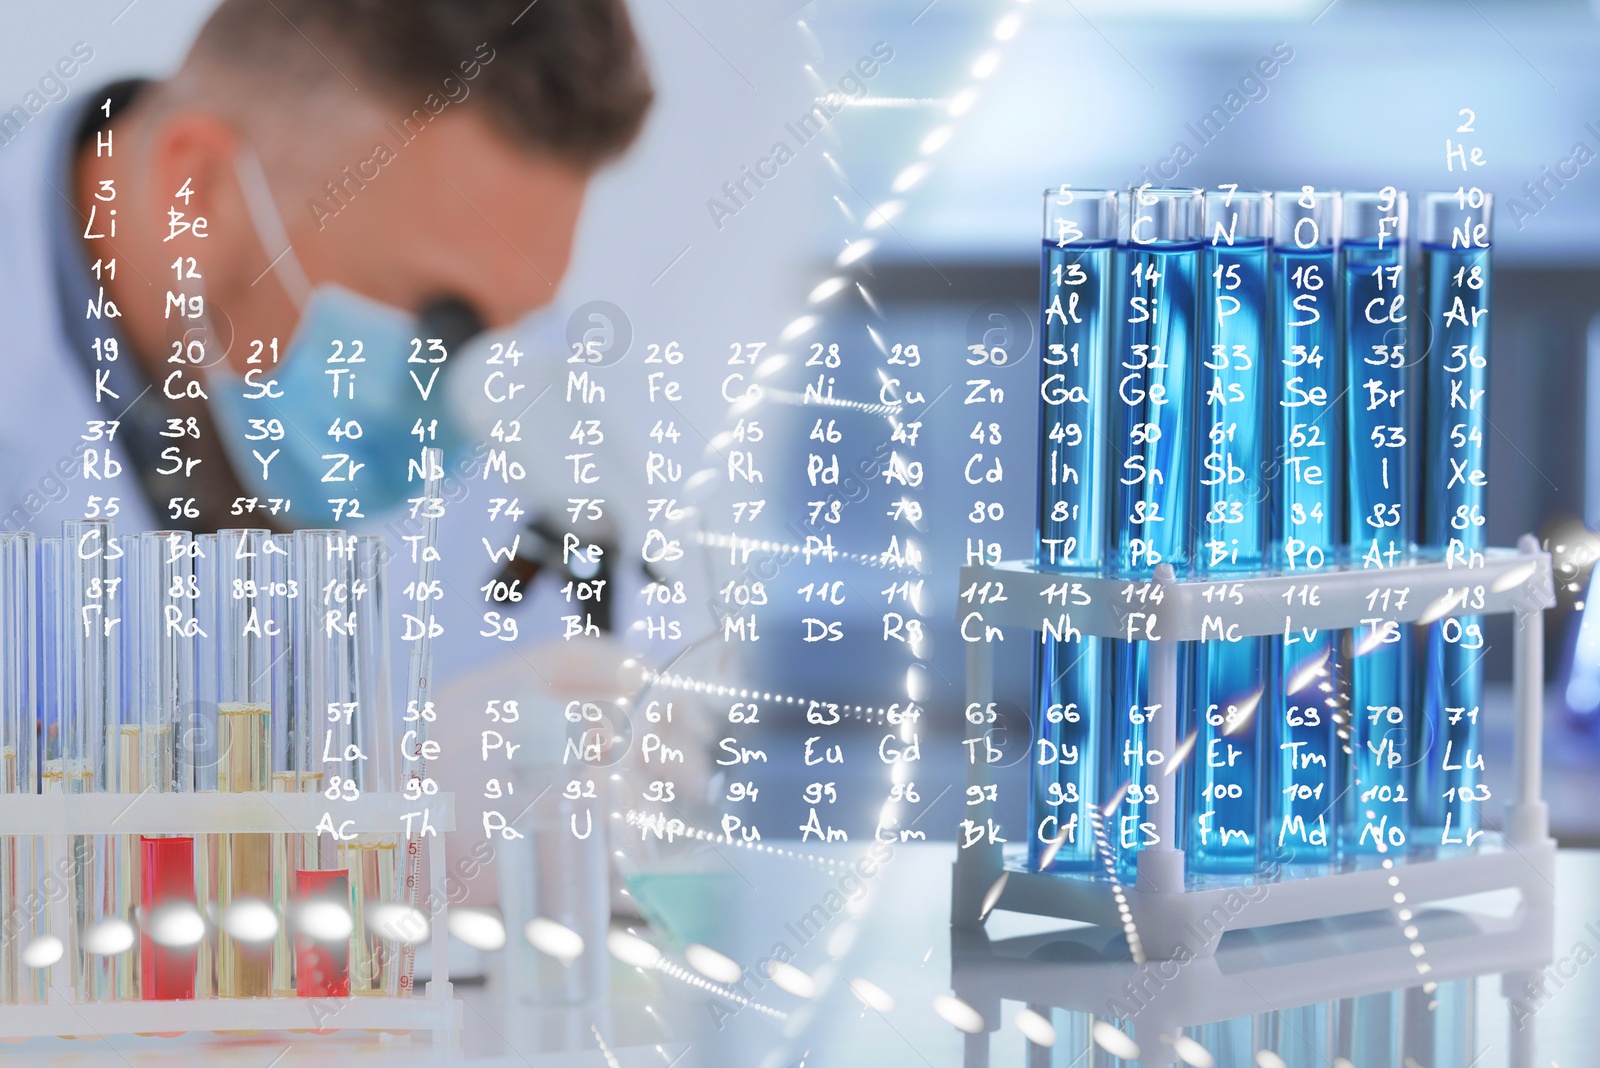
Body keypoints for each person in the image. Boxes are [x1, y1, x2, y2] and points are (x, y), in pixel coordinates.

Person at [0, 0, 652, 536]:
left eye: (515, 327)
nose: (472, 392)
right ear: (198, 190)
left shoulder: (511, 378)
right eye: (445, 322)